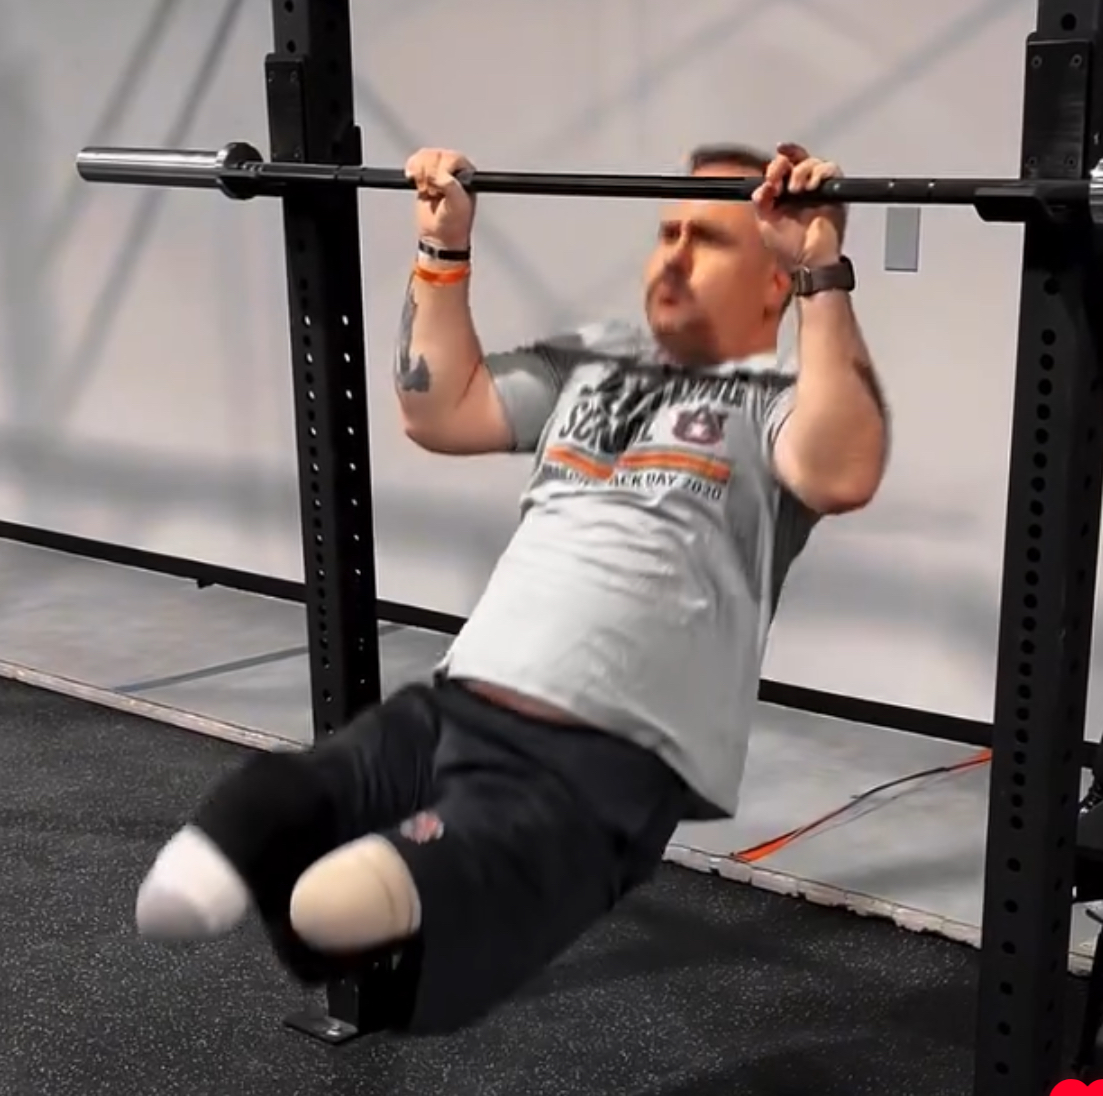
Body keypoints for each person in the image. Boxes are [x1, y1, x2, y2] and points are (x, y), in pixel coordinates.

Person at [134, 140, 888, 1035]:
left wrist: (822, 272)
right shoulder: (600, 362)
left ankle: (402, 941)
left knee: (346, 902)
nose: (673, 257)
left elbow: (841, 472)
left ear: (771, 284)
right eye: (667, 231)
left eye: (709, 240)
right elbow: (439, 409)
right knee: (258, 810)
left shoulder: (783, 395)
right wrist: (442, 247)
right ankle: (360, 935)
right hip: (456, 704)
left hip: (600, 759)